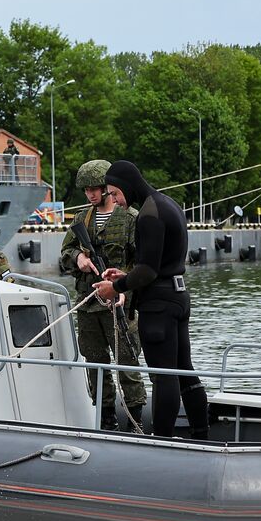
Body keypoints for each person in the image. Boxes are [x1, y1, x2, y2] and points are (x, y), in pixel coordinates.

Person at [92, 161, 209, 439]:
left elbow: (149, 270)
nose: (117, 202)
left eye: (116, 194)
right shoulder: (168, 204)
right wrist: (127, 275)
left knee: (163, 375)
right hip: (178, 296)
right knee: (185, 371)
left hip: (159, 305)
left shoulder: (148, 214)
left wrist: (116, 286)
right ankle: (201, 433)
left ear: (126, 187)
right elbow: (160, 263)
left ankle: (163, 441)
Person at [60, 160, 146, 431]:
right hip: (88, 305)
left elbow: (141, 263)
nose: (91, 195)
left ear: (108, 188)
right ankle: (106, 420)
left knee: (128, 365)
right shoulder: (81, 219)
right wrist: (78, 258)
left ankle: (135, 423)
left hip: (119, 305)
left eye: (96, 189)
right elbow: (65, 254)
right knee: (95, 366)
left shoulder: (130, 218)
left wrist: (125, 287)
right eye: (86, 190)